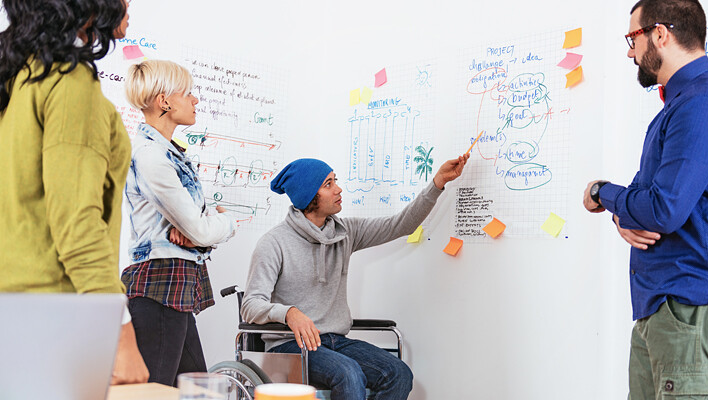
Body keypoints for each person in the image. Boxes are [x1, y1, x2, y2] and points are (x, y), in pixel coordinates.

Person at [583, 0, 708, 398]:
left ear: (660, 33)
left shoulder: (703, 104)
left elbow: (663, 209)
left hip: (692, 304)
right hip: (667, 305)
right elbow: (650, 195)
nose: (630, 51)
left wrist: (601, 193)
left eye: (633, 37)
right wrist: (621, 214)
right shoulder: (681, 104)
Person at [0, 0, 149, 385]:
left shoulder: (19, 73)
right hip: (51, 318)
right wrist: (122, 336)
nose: (127, 2)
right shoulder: (69, 82)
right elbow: (77, 222)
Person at [242, 154, 469, 399]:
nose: (338, 189)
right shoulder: (274, 243)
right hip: (289, 346)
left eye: (335, 181)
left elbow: (402, 225)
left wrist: (437, 183)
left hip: (335, 341)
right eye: (328, 184)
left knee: (398, 373)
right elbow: (251, 306)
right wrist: (289, 313)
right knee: (348, 373)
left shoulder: (345, 232)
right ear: (309, 196)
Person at [120, 59, 238, 385]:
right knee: (155, 392)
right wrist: (225, 225)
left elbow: (195, 227)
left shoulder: (168, 153)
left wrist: (199, 231)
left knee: (194, 388)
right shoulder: (149, 155)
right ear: (164, 101)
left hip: (177, 288)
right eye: (187, 93)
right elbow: (199, 227)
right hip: (160, 285)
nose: (195, 100)